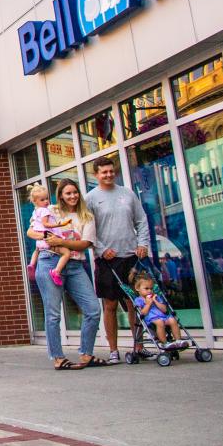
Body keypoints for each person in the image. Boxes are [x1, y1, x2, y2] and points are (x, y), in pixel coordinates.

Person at [28, 178, 104, 370]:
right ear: (60, 195)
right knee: (53, 314)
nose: (72, 196)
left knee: (93, 309)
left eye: (75, 192)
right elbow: (31, 231)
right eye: (68, 193)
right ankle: (58, 358)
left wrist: (61, 243)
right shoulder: (50, 210)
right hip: (49, 262)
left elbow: (85, 244)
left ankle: (86, 354)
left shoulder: (86, 216)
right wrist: (47, 237)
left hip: (75, 265)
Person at [85, 156, 152, 364]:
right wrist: (102, 249)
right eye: (104, 172)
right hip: (107, 260)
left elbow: (141, 221)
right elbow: (88, 231)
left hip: (131, 255)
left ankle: (138, 346)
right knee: (111, 305)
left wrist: (143, 244)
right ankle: (113, 350)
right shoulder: (91, 198)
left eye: (111, 171)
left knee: (135, 303)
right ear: (96, 175)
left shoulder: (128, 193)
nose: (108, 175)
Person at [26, 185, 78, 286]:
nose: (46, 201)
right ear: (35, 201)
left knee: (36, 250)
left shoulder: (35, 211)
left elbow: (33, 227)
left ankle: (32, 264)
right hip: (49, 241)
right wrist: (59, 224)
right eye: (43, 200)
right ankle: (56, 271)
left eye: (47, 198)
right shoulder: (45, 211)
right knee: (66, 253)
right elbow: (45, 224)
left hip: (41, 242)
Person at [130, 269, 186, 349]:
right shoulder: (139, 300)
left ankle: (178, 340)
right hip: (150, 318)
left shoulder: (156, 297)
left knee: (173, 320)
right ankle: (164, 343)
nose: (150, 291)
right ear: (137, 288)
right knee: (160, 323)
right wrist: (148, 304)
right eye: (146, 289)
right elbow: (142, 313)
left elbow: (165, 310)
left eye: (151, 288)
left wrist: (155, 301)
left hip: (163, 316)